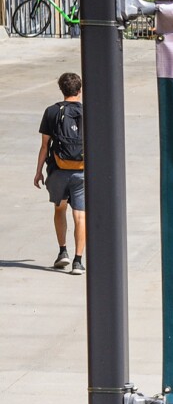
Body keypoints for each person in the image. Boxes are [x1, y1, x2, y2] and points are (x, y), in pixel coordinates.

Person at [33, 72, 86, 274]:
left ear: (62, 90)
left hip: (58, 170)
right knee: (80, 215)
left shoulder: (52, 112)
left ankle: (62, 251)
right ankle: (78, 262)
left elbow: (45, 146)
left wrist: (38, 172)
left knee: (59, 209)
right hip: (82, 171)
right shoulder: (87, 112)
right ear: (80, 90)